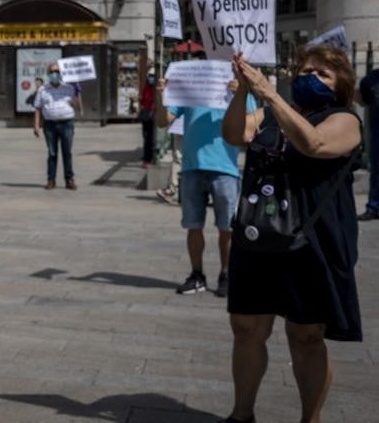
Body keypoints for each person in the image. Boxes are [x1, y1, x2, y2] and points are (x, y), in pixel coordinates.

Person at [221, 46, 363, 423]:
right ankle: (241, 414)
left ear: (341, 85)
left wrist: (268, 92)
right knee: (247, 326)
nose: (309, 78)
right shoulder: (266, 115)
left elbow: (313, 143)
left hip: (312, 240)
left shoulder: (345, 119)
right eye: (304, 71)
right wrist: (243, 93)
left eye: (322, 74)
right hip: (258, 235)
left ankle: (310, 418)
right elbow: (234, 133)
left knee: (306, 334)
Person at [156, 77, 253, 297]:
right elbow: (164, 120)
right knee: (193, 225)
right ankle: (196, 274)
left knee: (227, 227)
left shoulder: (237, 86)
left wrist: (241, 94)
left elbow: (251, 125)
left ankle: (227, 274)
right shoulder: (192, 86)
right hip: (192, 167)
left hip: (225, 168)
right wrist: (160, 95)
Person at [32, 63, 81, 190]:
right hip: (50, 125)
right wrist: (36, 125)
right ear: (48, 74)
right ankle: (51, 180)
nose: (55, 74)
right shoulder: (43, 89)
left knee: (67, 152)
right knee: (52, 153)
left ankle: (69, 180)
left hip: (67, 124)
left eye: (57, 71)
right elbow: (37, 108)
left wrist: (76, 92)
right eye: (52, 71)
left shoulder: (69, 87)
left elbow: (77, 106)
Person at [358, 66, 379, 222]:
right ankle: (373, 207)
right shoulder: (370, 79)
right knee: (377, 171)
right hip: (377, 133)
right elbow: (362, 101)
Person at [139, 71, 157, 167]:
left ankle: (148, 158)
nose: (151, 78)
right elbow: (143, 100)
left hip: (154, 116)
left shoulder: (157, 88)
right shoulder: (146, 88)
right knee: (146, 137)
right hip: (146, 116)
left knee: (150, 138)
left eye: (153, 76)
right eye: (150, 76)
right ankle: (147, 158)